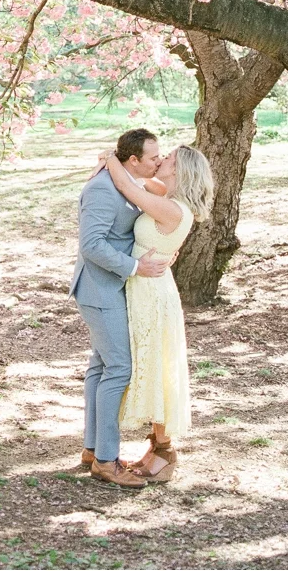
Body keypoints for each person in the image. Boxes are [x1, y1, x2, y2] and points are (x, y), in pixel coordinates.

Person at [69, 128, 180, 489]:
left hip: (113, 288)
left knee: (101, 367)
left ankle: (92, 450)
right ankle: (106, 461)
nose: (159, 160)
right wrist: (136, 267)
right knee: (119, 368)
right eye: (153, 157)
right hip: (100, 289)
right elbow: (91, 245)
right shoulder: (102, 189)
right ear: (133, 160)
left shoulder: (129, 180)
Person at [105, 145, 215, 482]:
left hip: (152, 294)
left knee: (156, 368)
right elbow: (139, 182)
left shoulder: (173, 209)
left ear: (180, 171)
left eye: (168, 159)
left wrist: (111, 156)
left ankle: (166, 451)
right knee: (148, 365)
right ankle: (157, 445)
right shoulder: (165, 197)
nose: (161, 159)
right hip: (146, 287)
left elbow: (126, 187)